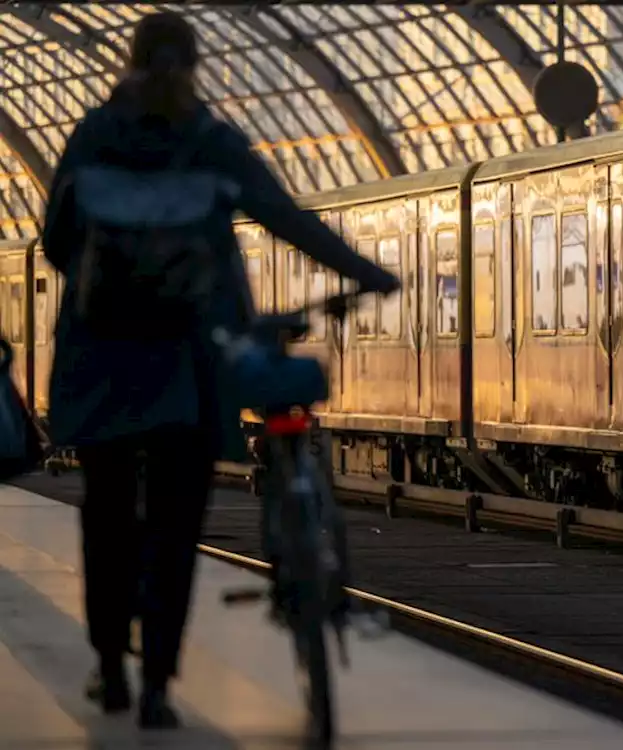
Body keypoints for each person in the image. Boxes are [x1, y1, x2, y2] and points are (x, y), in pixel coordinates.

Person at [41, 11, 399, 729]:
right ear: (195, 63)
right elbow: (284, 217)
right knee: (175, 529)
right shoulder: (210, 139)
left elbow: (54, 243)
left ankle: (110, 667)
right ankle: (156, 690)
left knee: (108, 520)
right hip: (188, 360)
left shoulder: (93, 135)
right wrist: (367, 272)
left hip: (101, 360)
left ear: (129, 61)